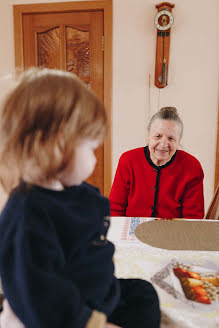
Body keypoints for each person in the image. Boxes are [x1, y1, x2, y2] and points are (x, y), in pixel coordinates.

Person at [0, 68, 160, 328]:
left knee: (143, 294)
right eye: (91, 148)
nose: (95, 159)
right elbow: (40, 292)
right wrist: (91, 323)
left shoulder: (69, 189)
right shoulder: (27, 214)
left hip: (95, 291)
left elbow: (92, 215)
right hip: (70, 310)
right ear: (58, 146)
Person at [109, 107, 204, 219]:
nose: (163, 144)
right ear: (148, 135)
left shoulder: (192, 167)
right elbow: (114, 210)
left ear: (179, 140)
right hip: (132, 232)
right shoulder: (128, 160)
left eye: (171, 138)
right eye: (158, 136)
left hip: (174, 233)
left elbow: (193, 219)